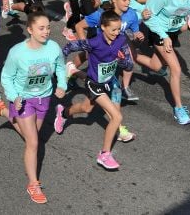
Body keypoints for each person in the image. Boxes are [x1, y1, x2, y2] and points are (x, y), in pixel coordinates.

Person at [0, 12, 67, 205]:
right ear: (30, 30)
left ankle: (4, 111)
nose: (46, 31)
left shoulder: (54, 47)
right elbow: (6, 77)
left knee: (30, 135)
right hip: (23, 100)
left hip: (44, 98)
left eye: (48, 27)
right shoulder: (17, 52)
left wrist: (62, 84)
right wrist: (14, 98)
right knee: (33, 142)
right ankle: (33, 183)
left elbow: (60, 67)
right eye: (41, 28)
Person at [55, 9, 135, 171]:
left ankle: (62, 113)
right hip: (94, 84)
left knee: (86, 108)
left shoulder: (121, 40)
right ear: (103, 27)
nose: (116, 32)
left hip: (109, 81)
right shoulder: (94, 43)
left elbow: (129, 65)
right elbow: (71, 46)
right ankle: (104, 154)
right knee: (117, 116)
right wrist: (58, 62)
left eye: (118, 29)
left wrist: (121, 60)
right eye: (113, 29)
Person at [135, 0, 190, 125]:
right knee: (176, 69)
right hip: (158, 31)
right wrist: (164, 36)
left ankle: (129, 54)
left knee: (155, 65)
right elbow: (148, 17)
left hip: (172, 32)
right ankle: (179, 108)